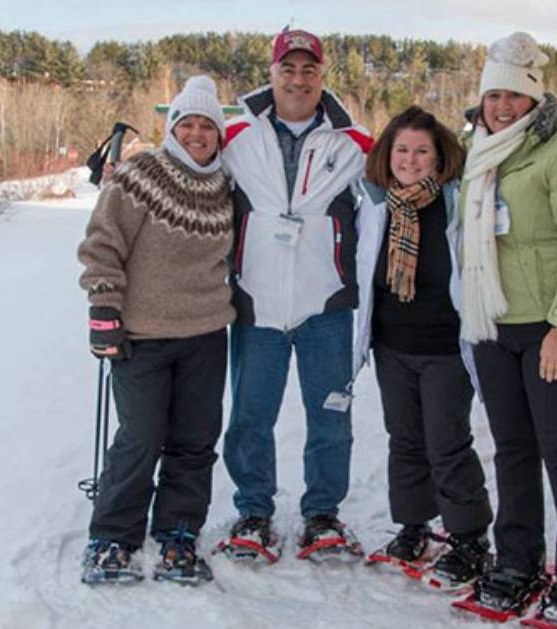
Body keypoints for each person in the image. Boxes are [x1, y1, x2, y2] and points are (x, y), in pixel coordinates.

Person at [457, 33, 557, 627]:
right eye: (492, 95)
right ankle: (518, 560)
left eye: (513, 96)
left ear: (533, 98)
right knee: (513, 452)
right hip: (496, 327)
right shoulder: (478, 155)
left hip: (555, 328)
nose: (501, 106)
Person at [218, 28, 373, 563]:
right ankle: (253, 512)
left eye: (309, 69)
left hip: (325, 304)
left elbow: (405, 178)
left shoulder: (353, 142)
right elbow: (183, 168)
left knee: (330, 415)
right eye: (289, 68)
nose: (299, 79)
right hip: (255, 300)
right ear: (272, 71)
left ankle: (323, 515)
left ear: (322, 75)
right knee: (250, 416)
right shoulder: (234, 133)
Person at [76, 75, 233, 585]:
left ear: (219, 134)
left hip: (207, 334)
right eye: (186, 124)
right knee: (140, 438)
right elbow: (103, 243)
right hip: (141, 336)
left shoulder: (227, 183)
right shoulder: (141, 173)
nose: (196, 134)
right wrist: (104, 311)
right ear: (172, 128)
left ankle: (179, 532)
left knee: (193, 441)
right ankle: (113, 536)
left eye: (206, 125)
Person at [353, 106, 492, 587]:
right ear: (387, 155)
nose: (410, 160)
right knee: (405, 440)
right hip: (392, 345)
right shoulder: (374, 202)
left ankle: (470, 537)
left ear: (439, 157)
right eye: (402, 150)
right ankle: (414, 526)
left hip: (446, 349)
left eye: (421, 151)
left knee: (447, 442)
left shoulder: (458, 201)